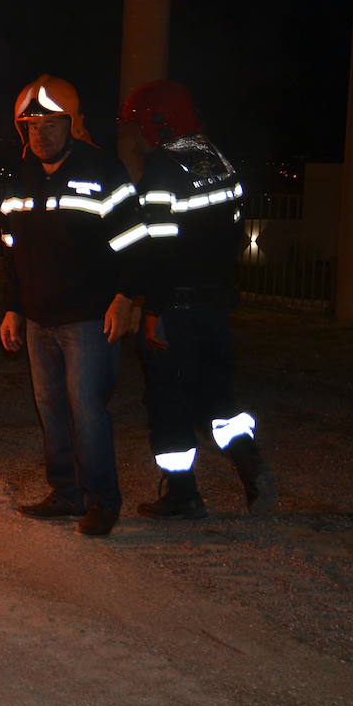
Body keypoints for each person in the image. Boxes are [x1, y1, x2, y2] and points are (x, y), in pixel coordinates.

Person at [115, 79, 277, 519]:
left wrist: (151, 307)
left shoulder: (163, 170)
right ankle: (249, 461)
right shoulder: (218, 159)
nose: (132, 137)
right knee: (217, 393)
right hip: (215, 304)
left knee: (168, 400)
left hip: (175, 307)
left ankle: (183, 495)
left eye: (135, 128)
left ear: (158, 124)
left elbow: (158, 245)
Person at [0, 74, 140, 536]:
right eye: (32, 126)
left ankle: (103, 501)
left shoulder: (104, 171)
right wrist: (13, 307)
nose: (41, 134)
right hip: (38, 318)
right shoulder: (20, 177)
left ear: (73, 124)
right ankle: (65, 493)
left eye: (52, 124)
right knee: (52, 409)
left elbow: (135, 242)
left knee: (87, 411)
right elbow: (11, 249)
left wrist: (125, 298)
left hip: (88, 318)